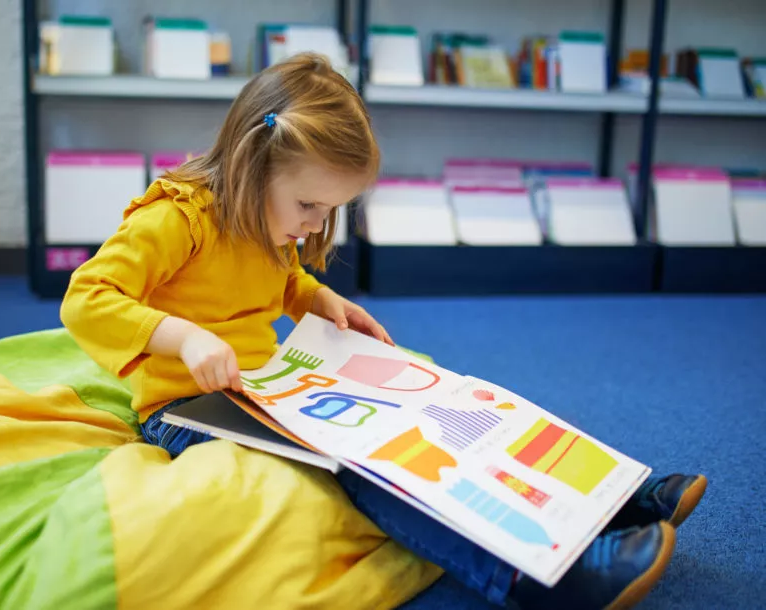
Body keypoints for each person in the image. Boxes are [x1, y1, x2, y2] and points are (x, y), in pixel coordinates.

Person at [60, 52, 706, 609]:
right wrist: (184, 337)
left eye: (329, 211)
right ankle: (534, 582)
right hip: (190, 407)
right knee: (370, 467)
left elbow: (275, 280)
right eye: (308, 206)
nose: (315, 228)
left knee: (453, 403)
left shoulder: (267, 215)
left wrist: (320, 300)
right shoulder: (175, 220)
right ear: (251, 164)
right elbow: (85, 299)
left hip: (270, 386)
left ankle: (610, 499)